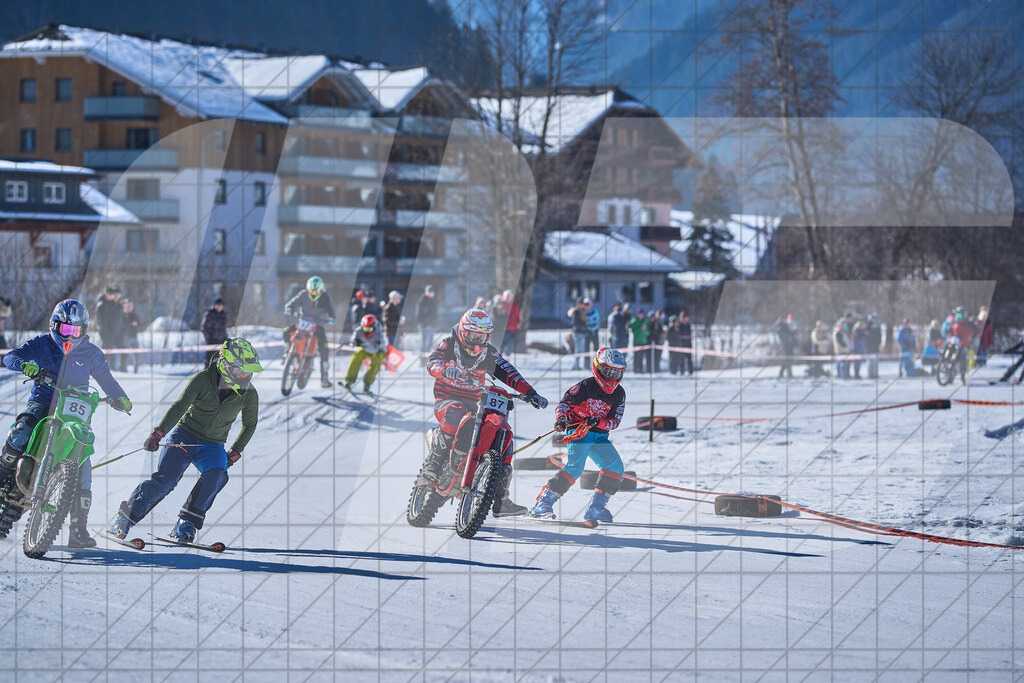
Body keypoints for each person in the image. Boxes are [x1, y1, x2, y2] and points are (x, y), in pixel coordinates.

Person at [2, 300, 132, 548]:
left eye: (77, 330)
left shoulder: (92, 353)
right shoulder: (42, 343)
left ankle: (78, 530)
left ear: (85, 330)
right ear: (54, 326)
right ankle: (2, 480)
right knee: (21, 432)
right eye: (66, 330)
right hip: (43, 402)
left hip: (74, 411)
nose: (71, 335)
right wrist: (24, 365)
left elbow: (107, 380)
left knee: (83, 463)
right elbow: (10, 357)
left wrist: (121, 398)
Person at [107, 338, 261, 544]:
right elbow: (180, 406)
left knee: (218, 474)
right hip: (185, 436)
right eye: (240, 371)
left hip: (213, 444)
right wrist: (159, 432)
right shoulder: (202, 380)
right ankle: (124, 520)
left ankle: (186, 523)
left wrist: (236, 450)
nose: (245, 377)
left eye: (248, 372)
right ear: (226, 364)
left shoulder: (249, 394)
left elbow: (249, 425)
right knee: (166, 481)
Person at [422, 308, 548, 516]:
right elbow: (432, 361)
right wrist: (443, 370)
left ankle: (500, 497)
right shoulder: (449, 344)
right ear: (463, 332)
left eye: (482, 337)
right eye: (473, 336)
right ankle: (433, 466)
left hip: (476, 402)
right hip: (447, 399)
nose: (477, 342)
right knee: (456, 413)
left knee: (502, 430)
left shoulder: (488, 353)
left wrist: (531, 393)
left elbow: (509, 372)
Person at [532, 348, 627, 523]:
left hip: (600, 437)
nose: (612, 378)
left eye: (617, 373)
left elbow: (615, 421)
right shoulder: (584, 387)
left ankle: (596, 507)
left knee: (615, 467)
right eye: (609, 372)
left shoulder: (619, 394)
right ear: (598, 369)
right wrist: (561, 419)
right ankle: (544, 502)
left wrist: (597, 422)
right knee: (575, 467)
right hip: (578, 432)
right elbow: (563, 405)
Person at [283, 276, 336, 388]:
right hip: (303, 321)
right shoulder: (303, 294)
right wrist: (289, 308)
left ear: (321, 291)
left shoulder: (325, 297)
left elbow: (331, 310)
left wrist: (332, 318)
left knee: (324, 348)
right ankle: (287, 351)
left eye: (316, 292)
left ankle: (324, 378)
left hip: (318, 324)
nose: (313, 293)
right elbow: (291, 303)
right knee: (286, 330)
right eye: (311, 291)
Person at [342, 314, 387, 395]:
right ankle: (349, 381)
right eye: (365, 329)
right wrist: (354, 342)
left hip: (377, 351)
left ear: (374, 327)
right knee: (356, 356)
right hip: (364, 349)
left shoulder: (379, 333)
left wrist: (364, 344)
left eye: (370, 329)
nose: (367, 331)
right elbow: (352, 342)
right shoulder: (358, 331)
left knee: (378, 359)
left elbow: (377, 349)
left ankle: (367, 384)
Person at [96, 285, 126, 370]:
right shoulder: (102, 304)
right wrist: (107, 331)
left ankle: (120, 369)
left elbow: (119, 319)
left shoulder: (116, 304)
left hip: (117, 332)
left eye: (113, 294)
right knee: (107, 353)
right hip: (106, 333)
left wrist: (121, 330)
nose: (112, 296)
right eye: (110, 294)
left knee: (122, 351)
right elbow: (102, 321)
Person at [949, 306, 980, 384]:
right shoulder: (954, 322)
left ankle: (962, 377)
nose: (958, 317)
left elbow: (977, 330)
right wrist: (949, 335)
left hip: (963, 345)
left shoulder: (968, 323)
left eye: (960, 315)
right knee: (952, 360)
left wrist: (971, 338)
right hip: (954, 344)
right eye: (957, 315)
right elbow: (949, 330)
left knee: (962, 360)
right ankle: (951, 376)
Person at [200, 297, 228, 365]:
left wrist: (225, 339)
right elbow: (204, 328)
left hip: (222, 341)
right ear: (214, 305)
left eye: (221, 305)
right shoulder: (209, 314)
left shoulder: (223, 314)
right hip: (212, 341)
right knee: (210, 360)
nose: (219, 306)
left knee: (222, 361)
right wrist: (209, 338)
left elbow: (224, 328)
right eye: (218, 305)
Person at [567, 298, 590, 370]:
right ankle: (575, 366)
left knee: (581, 350)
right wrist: (583, 325)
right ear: (579, 304)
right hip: (577, 332)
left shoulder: (583, 311)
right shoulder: (576, 311)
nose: (583, 305)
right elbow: (575, 322)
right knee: (578, 350)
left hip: (582, 332)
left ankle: (576, 365)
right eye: (582, 304)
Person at [416, 285, 439, 354]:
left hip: (432, 325)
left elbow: (435, 314)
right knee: (424, 342)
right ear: (426, 292)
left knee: (430, 343)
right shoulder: (422, 301)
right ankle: (422, 358)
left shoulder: (434, 301)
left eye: (432, 292)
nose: (430, 293)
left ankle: (427, 358)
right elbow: (419, 315)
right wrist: (426, 324)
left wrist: (434, 324)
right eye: (429, 292)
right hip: (424, 325)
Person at [499, 290, 521, 356]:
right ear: (504, 296)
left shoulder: (514, 305)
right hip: (502, 330)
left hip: (512, 330)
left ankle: (507, 360)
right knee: (500, 348)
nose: (509, 297)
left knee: (510, 347)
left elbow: (517, 316)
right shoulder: (500, 304)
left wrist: (517, 324)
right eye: (507, 296)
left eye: (510, 296)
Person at [122, 298, 141, 373]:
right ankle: (124, 370)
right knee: (126, 355)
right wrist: (131, 324)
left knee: (137, 355)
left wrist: (136, 324)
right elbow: (123, 325)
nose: (131, 307)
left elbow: (140, 325)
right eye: (129, 305)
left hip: (134, 336)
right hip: (126, 337)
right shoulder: (124, 315)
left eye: (132, 305)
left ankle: (136, 371)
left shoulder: (135, 315)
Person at [833, 313, 853, 379]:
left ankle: (843, 376)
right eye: (842, 324)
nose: (843, 325)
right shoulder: (838, 331)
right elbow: (839, 341)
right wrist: (845, 346)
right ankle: (842, 376)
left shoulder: (844, 331)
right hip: (841, 350)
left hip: (845, 350)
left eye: (844, 324)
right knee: (842, 364)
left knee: (845, 364)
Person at [776, 314, 795, 379]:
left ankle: (785, 373)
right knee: (787, 359)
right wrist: (792, 333)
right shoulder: (781, 326)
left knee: (789, 359)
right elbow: (786, 335)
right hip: (786, 345)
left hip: (789, 345)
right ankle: (787, 373)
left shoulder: (785, 326)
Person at [865, 314, 882, 379]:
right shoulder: (867, 327)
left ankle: (875, 374)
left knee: (875, 362)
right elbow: (866, 335)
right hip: (869, 347)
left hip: (876, 347)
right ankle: (870, 375)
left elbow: (879, 337)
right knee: (870, 362)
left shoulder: (877, 327)